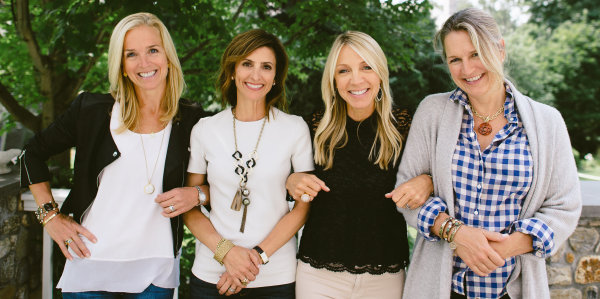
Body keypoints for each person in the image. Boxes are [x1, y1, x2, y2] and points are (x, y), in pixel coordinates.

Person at [392, 8, 582, 299]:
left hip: (514, 288)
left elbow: (564, 208)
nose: (467, 70)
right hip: (442, 288)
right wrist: (456, 234)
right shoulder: (432, 112)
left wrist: (501, 249)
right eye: (455, 59)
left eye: (476, 54)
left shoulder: (547, 121)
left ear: (500, 49)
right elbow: (405, 197)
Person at [19, 12, 206, 297]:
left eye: (153, 50)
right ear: (121, 65)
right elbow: (31, 153)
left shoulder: (192, 120)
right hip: (88, 264)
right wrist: (50, 217)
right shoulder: (91, 111)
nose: (144, 63)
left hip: (155, 272)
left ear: (168, 57)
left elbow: (230, 177)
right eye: (131, 54)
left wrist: (198, 195)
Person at [285, 31, 433, 299]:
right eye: (344, 70)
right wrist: (291, 181)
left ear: (380, 73)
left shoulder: (406, 126)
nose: (356, 79)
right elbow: (289, 185)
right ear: (333, 78)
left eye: (366, 67)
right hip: (318, 275)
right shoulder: (315, 127)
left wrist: (428, 181)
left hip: (385, 276)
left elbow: (439, 176)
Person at [183, 29, 313, 298]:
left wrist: (256, 258)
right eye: (247, 64)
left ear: (276, 77)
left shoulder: (294, 128)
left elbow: (302, 207)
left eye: (266, 67)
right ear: (232, 70)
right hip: (211, 275)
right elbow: (190, 205)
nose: (256, 75)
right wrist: (227, 253)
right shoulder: (205, 129)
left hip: (274, 277)